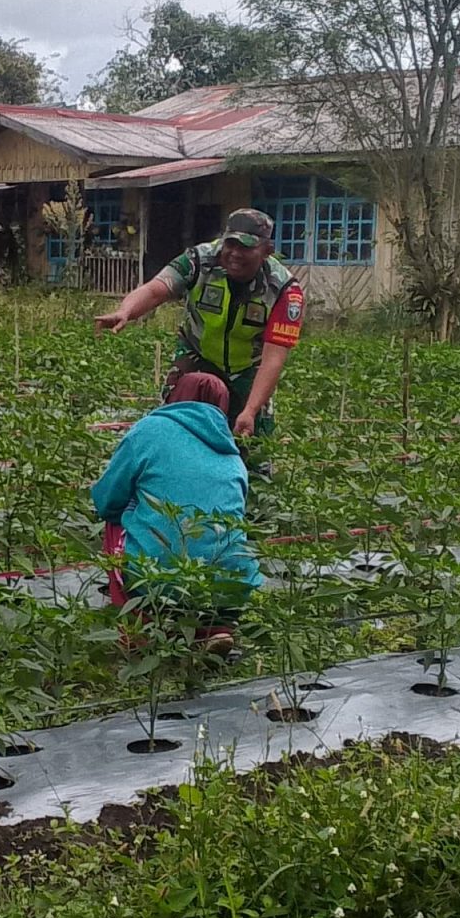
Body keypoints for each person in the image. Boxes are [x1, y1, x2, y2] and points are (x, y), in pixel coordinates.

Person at [93, 207, 302, 438]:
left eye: (246, 247)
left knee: (251, 440)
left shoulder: (284, 290)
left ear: (267, 251)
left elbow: (274, 358)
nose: (235, 253)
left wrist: (250, 411)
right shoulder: (199, 260)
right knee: (174, 426)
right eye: (230, 244)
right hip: (196, 353)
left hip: (248, 367)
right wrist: (126, 310)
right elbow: (156, 289)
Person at [92, 371, 262, 654]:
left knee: (115, 520)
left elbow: (107, 497)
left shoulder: (150, 429)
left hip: (158, 579)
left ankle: (140, 627)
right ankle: (215, 627)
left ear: (174, 395)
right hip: (232, 586)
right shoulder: (232, 452)